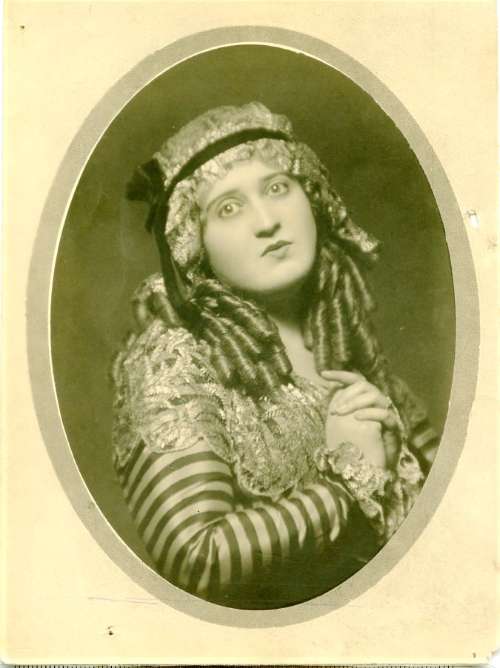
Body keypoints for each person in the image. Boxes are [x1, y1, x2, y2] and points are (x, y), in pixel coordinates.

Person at [111, 102, 438, 608]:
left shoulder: (335, 327)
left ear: (311, 194)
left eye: (277, 187)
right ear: (193, 243)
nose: (267, 221)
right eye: (228, 207)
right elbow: (195, 559)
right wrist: (348, 481)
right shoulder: (172, 359)